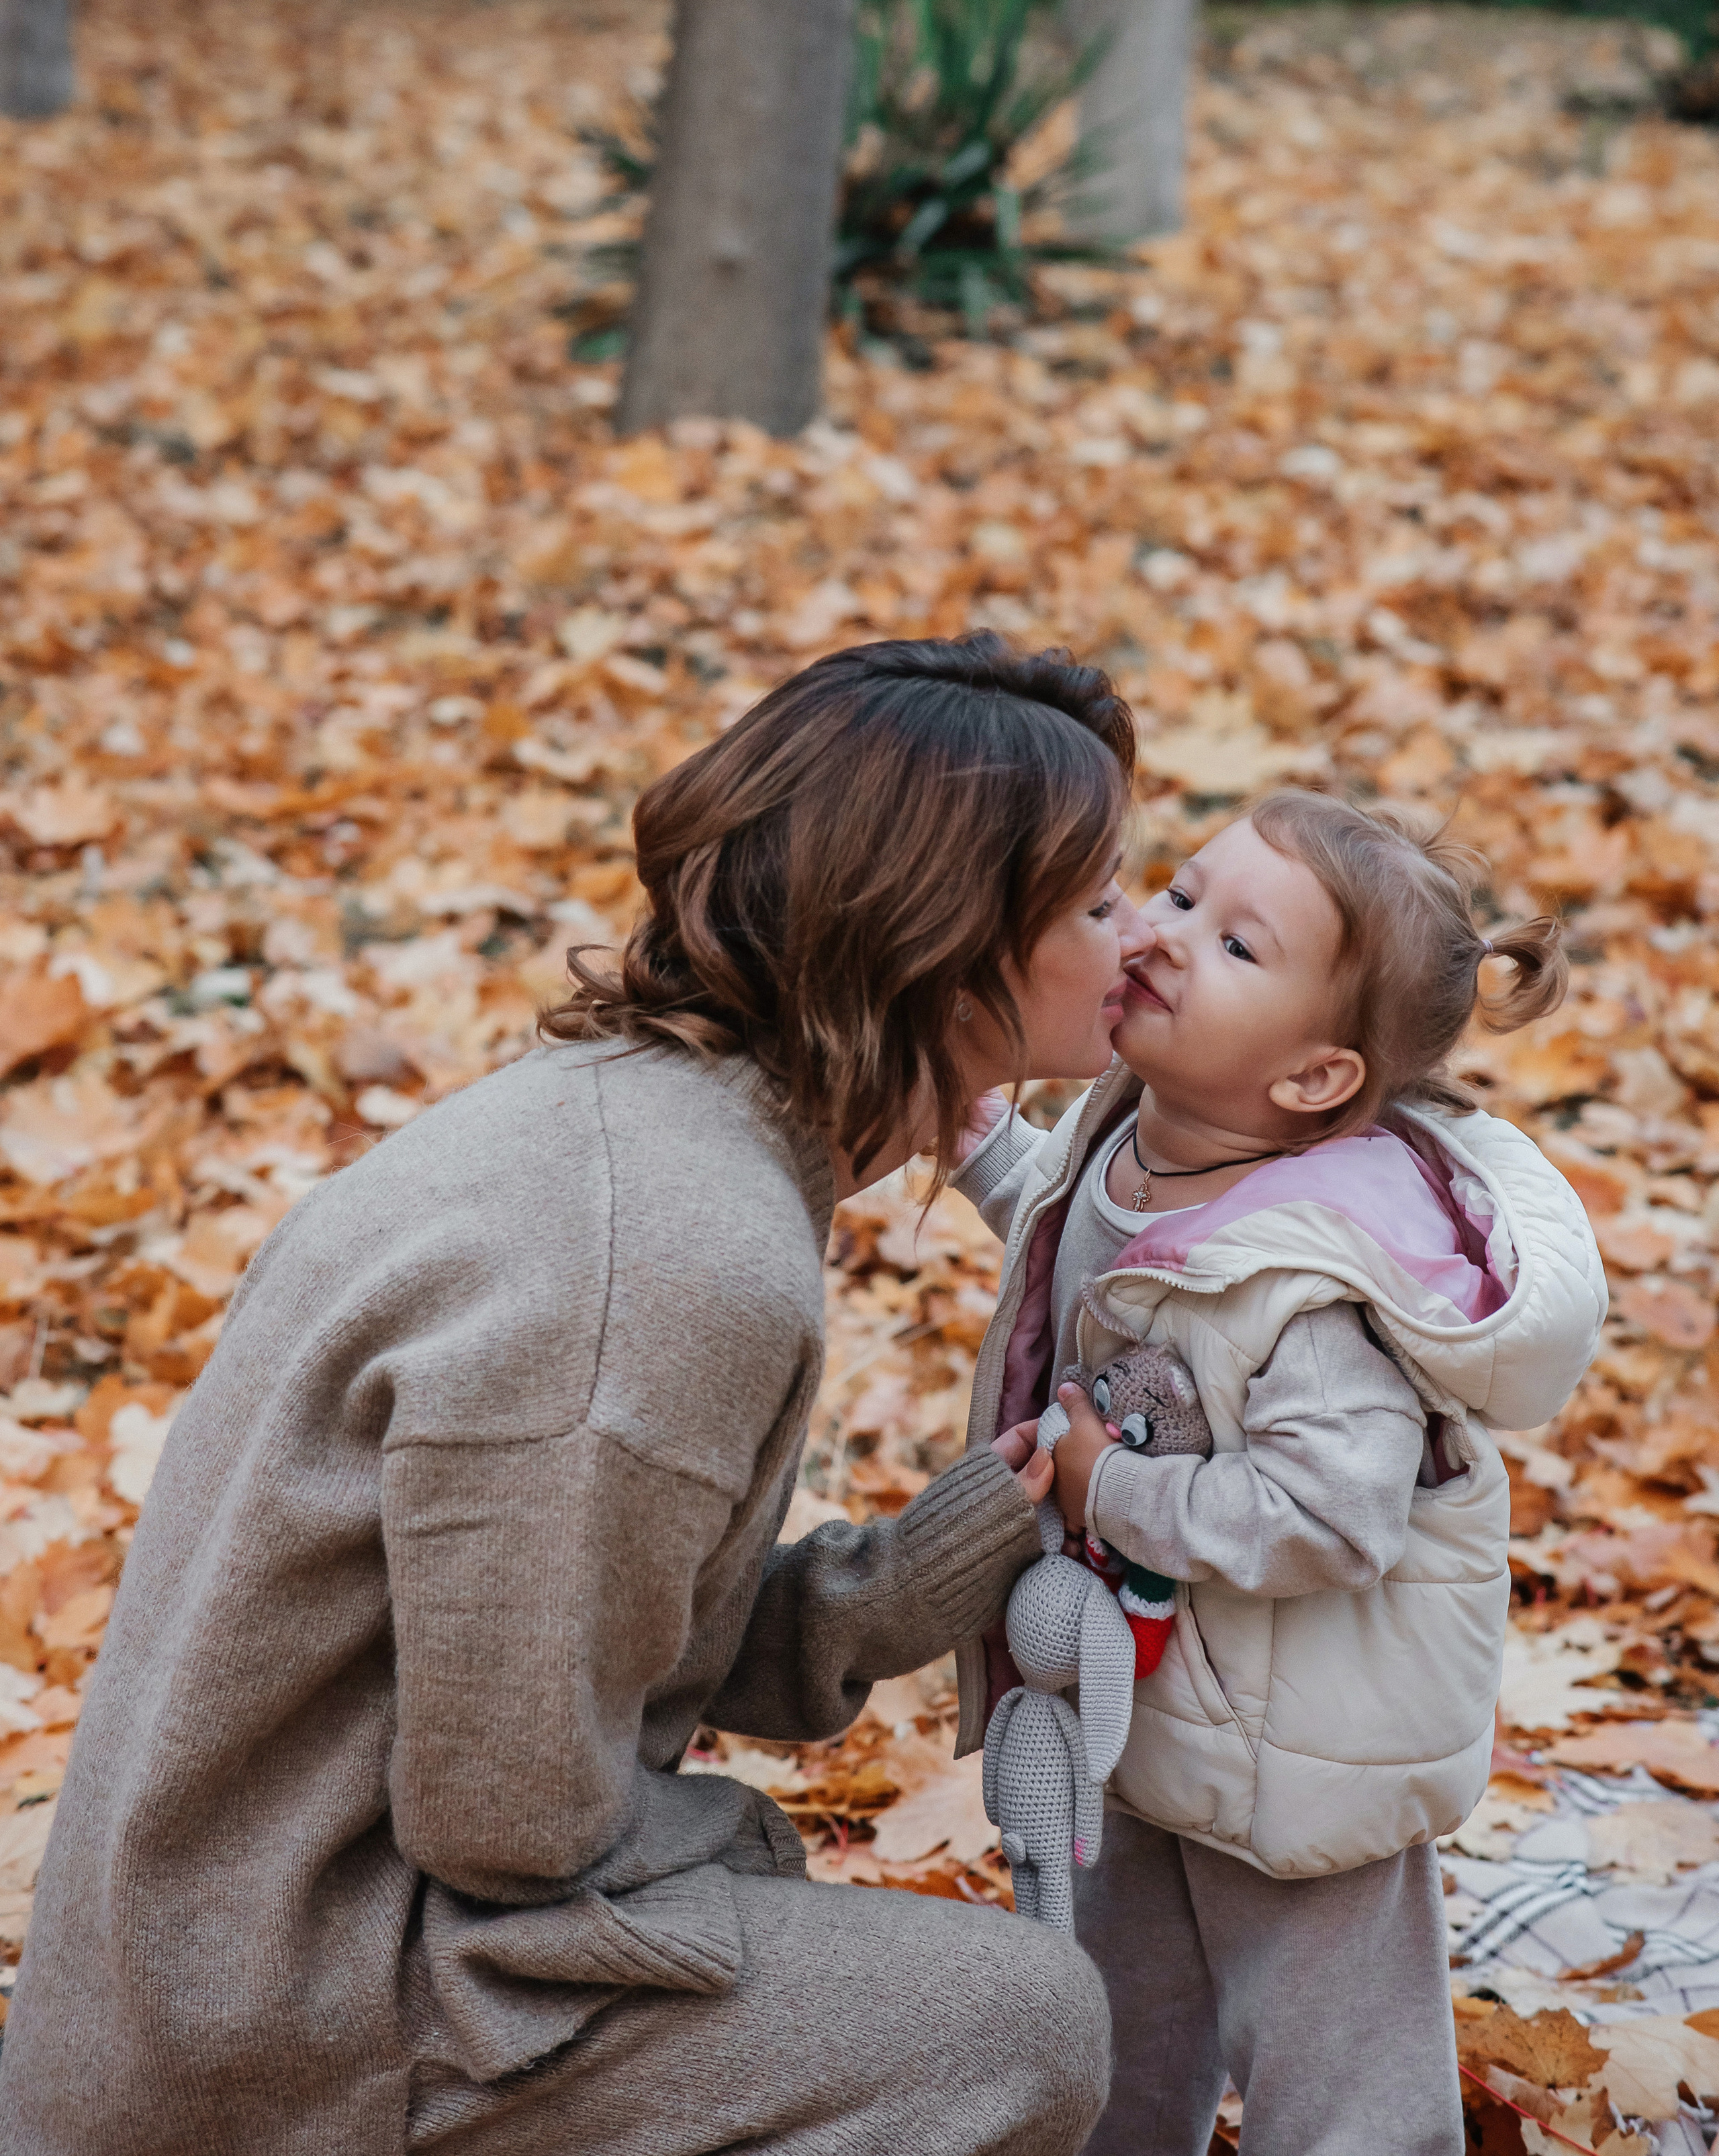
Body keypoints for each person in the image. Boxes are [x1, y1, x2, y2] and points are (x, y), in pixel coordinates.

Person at [0, 634, 1131, 2156]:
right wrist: (750, 1855)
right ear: (941, 937)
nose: (1144, 940)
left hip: (262, 1948)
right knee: (1010, 2022)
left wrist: (919, 1570)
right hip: (290, 2028)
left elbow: (580, 1630)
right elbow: (517, 1824)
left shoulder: (647, 1128)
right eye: (1100, 903)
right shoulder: (672, 1257)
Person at [947, 791, 1608, 2156]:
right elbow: (1088, 1251)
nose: (1167, 934)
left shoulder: (1317, 1281)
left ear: (1312, 1080)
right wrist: (993, 1154)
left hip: (1309, 1763)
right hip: (1148, 1705)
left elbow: (1331, 1515)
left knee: (1340, 2086)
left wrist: (1107, 1492)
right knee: (1118, 2028)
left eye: (1237, 945)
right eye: (1182, 894)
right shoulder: (1136, 1132)